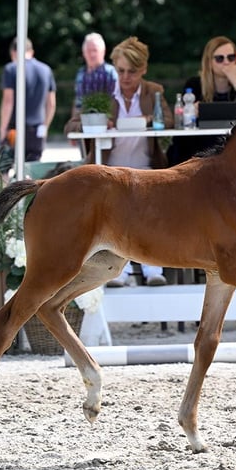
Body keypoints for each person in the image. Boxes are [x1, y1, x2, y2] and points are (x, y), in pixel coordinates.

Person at [92, 36, 173, 287]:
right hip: (111, 170)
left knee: (151, 215)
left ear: (144, 70)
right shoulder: (103, 92)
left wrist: (150, 119)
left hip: (146, 168)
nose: (126, 77)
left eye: (132, 72)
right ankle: (119, 271)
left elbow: (170, 121)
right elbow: (72, 124)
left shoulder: (154, 91)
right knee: (117, 218)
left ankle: (153, 269)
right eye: (121, 71)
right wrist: (97, 122)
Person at [167, 36, 236, 166]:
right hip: (201, 150)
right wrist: (191, 111)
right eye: (219, 58)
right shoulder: (194, 85)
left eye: (231, 57)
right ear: (209, 62)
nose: (226, 62)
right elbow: (182, 122)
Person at [0, 36, 56, 182]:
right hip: (37, 129)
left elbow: (8, 101)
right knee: (30, 170)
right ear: (32, 51)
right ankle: (27, 202)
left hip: (14, 130)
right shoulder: (46, 70)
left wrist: (3, 128)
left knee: (3, 167)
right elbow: (51, 103)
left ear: (13, 52)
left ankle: (9, 201)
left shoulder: (11, 68)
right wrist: (45, 126)